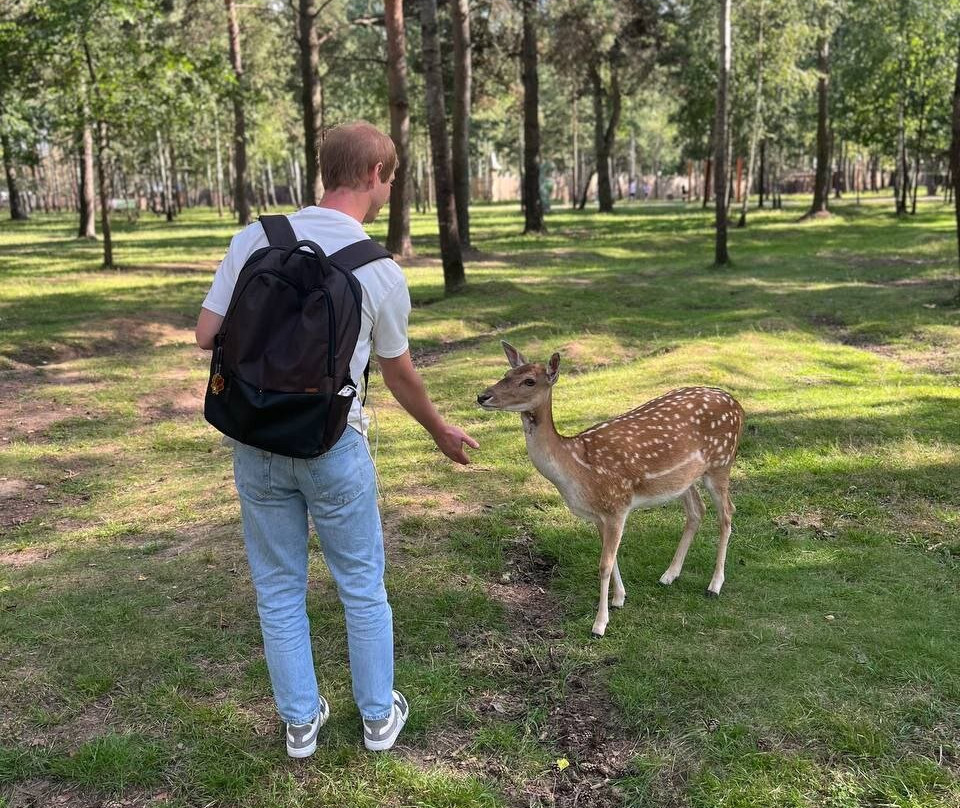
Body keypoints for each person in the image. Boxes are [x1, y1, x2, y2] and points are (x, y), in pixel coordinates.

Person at [195, 121, 479, 758]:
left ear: (327, 170)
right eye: (390, 178)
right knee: (361, 585)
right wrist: (438, 428)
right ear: (376, 174)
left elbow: (205, 334)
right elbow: (398, 371)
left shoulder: (255, 238)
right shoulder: (378, 271)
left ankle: (301, 725)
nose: (388, 188)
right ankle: (379, 718)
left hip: (257, 440)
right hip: (333, 445)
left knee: (277, 587)